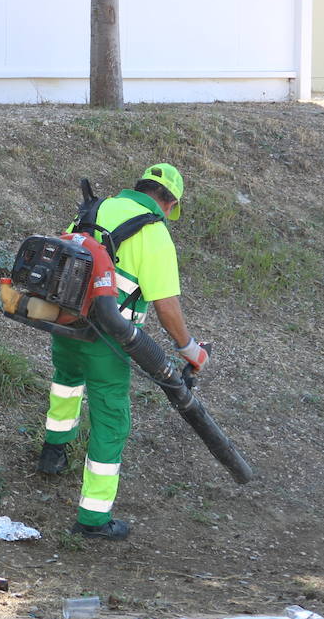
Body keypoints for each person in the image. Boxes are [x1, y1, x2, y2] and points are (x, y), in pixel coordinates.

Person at [37, 163, 209, 541]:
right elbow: (166, 305)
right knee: (111, 420)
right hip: (107, 337)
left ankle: (52, 453)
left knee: (66, 383)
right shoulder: (154, 231)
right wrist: (189, 348)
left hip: (64, 320)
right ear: (169, 202)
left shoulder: (94, 210)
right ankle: (94, 519)